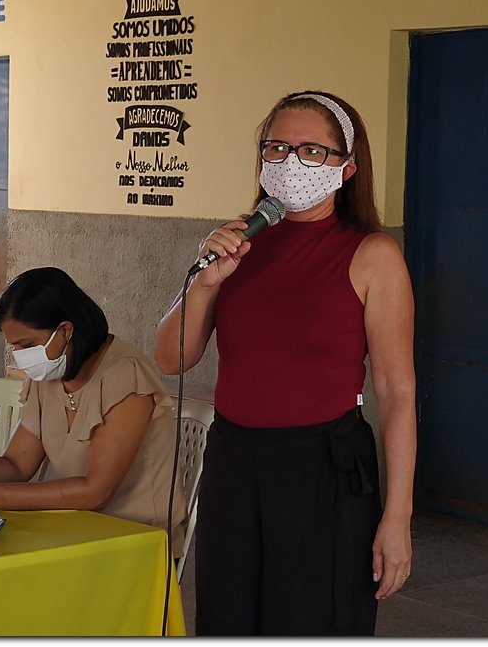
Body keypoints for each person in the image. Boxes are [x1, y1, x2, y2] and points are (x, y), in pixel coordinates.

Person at [155, 91, 416, 635]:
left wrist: (398, 516)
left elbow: (396, 392)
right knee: (227, 619)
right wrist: (205, 285)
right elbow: (171, 357)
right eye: (275, 147)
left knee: (309, 622)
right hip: (234, 461)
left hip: (321, 470)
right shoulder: (237, 246)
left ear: (347, 167)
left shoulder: (371, 256)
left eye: (311, 150)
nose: (290, 161)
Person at [0, 266, 187, 555]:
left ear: (65, 330)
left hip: (135, 539)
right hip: (68, 526)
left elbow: (96, 492)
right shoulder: (50, 373)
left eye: (27, 345)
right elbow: (16, 464)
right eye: (15, 347)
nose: (22, 357)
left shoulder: (125, 376)